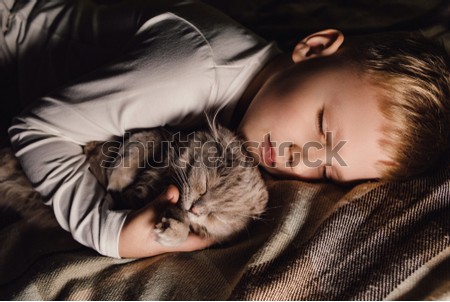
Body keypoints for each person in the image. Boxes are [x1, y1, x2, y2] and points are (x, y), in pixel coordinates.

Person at [1, 0, 449, 258]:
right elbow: (37, 130)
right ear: (314, 49)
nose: (300, 156)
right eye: (321, 123)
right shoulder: (193, 69)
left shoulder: (253, 104)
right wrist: (110, 233)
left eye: (327, 167)